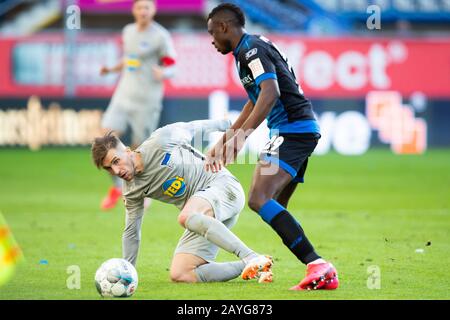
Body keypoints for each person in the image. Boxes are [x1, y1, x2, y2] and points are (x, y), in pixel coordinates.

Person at [205, 3, 338, 290]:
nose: (212, 40)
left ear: (224, 27)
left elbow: (270, 93)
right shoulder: (249, 50)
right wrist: (227, 138)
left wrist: (241, 139)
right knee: (275, 204)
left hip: (293, 130)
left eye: (212, 32)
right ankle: (319, 269)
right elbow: (255, 99)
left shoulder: (251, 51)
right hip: (295, 129)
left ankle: (318, 264)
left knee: (258, 198)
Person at [91, 119, 273, 283]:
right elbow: (131, 232)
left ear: (128, 151)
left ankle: (250, 256)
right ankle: (255, 265)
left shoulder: (160, 141)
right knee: (181, 274)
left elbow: (194, 128)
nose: (116, 171)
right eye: (109, 168)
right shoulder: (131, 190)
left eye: (116, 161)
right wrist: (127, 271)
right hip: (202, 217)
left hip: (223, 187)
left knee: (186, 216)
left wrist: (229, 125)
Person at [99, 0, 176, 210]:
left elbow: (172, 64)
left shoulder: (160, 36)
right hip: (123, 94)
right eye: (140, 7)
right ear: (134, 10)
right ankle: (117, 187)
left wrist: (165, 72)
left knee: (140, 148)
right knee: (106, 136)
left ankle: (145, 190)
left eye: (147, 8)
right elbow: (129, 59)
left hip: (146, 99)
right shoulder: (128, 31)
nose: (143, 11)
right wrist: (112, 69)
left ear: (153, 11)